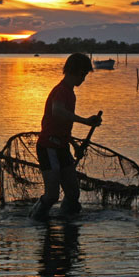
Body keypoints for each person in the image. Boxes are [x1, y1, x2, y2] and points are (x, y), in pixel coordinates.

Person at [29, 53, 102, 221]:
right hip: (48, 147)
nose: (83, 79)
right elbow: (58, 112)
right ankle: (35, 220)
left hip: (62, 147)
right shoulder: (61, 91)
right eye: (82, 74)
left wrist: (75, 146)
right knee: (52, 195)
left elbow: (63, 125)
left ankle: (66, 222)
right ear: (74, 71)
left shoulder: (71, 93)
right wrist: (85, 121)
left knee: (73, 193)